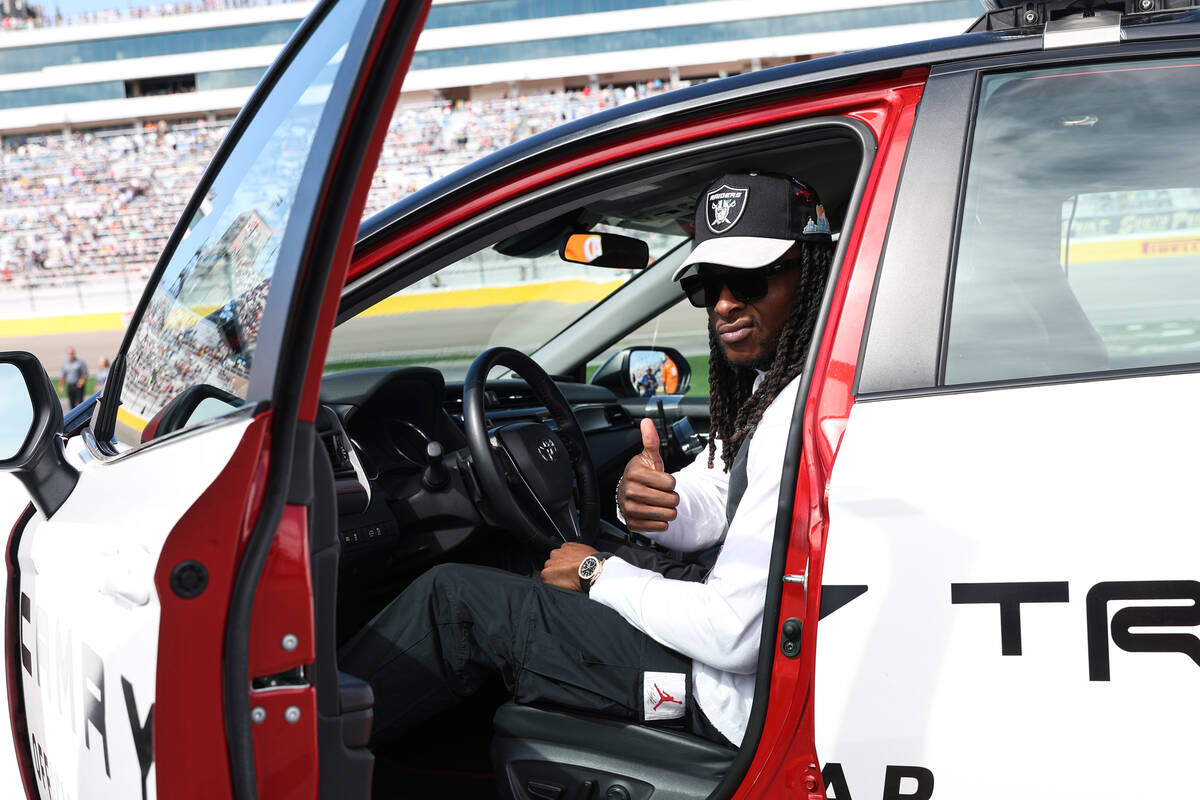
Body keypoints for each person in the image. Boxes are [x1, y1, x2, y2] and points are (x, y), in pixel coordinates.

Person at [339, 172, 834, 750]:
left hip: (723, 694)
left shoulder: (800, 419)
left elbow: (734, 634)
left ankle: (284, 762)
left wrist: (599, 573)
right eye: (709, 285)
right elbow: (717, 497)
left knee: (453, 603)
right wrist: (654, 501)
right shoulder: (777, 389)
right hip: (737, 660)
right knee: (521, 555)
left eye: (748, 280)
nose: (725, 304)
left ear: (814, 272)